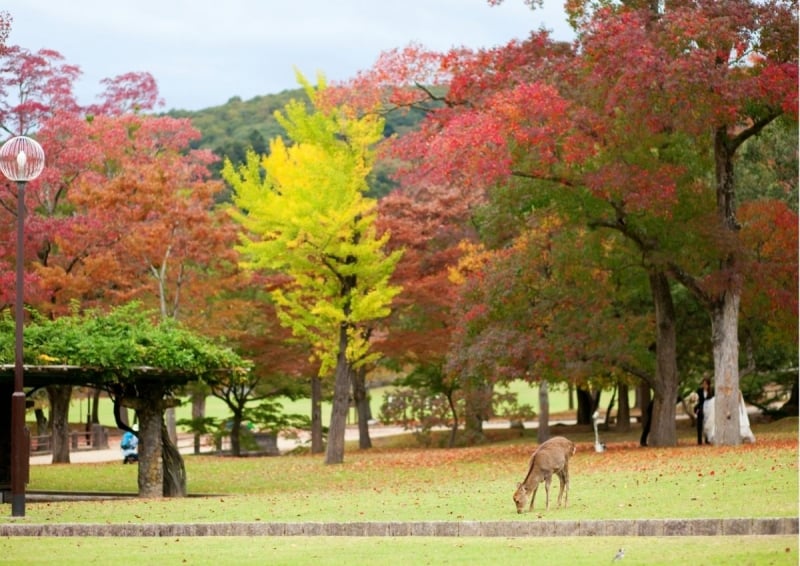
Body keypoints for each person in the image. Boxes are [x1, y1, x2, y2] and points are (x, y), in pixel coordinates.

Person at [694, 378, 713, 445]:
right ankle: (699, 441)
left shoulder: (711, 391)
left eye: (705, 384)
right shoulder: (699, 391)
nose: (704, 385)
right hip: (701, 409)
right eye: (703, 384)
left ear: (708, 384)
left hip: (708, 410)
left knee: (707, 425)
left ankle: (707, 439)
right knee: (699, 424)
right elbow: (696, 399)